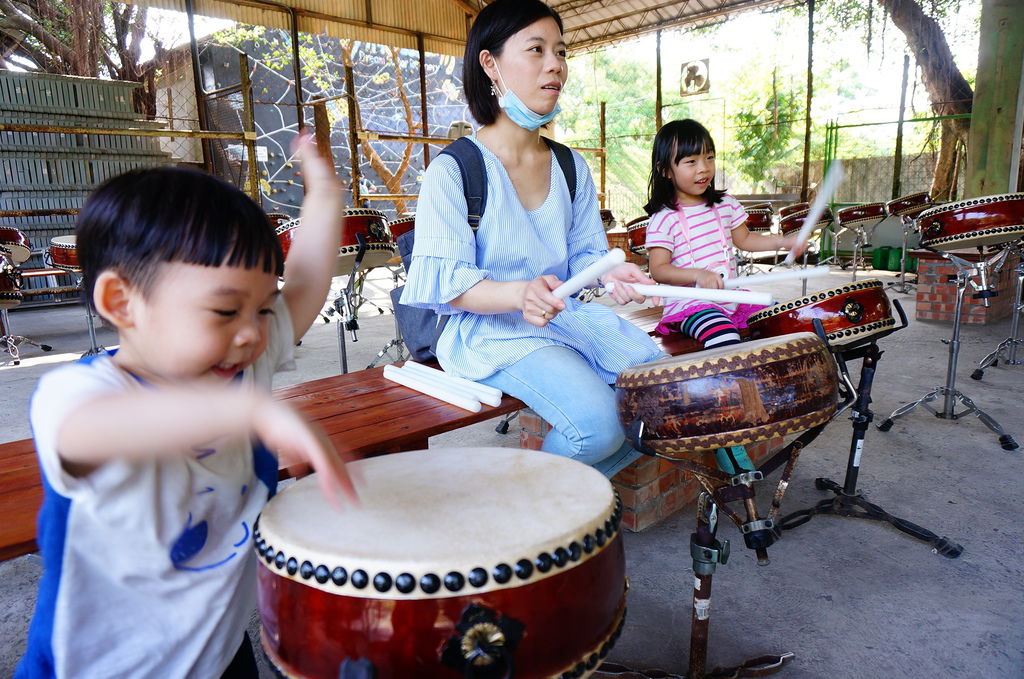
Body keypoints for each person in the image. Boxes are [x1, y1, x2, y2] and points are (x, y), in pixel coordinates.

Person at [15, 135, 357, 679]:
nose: (251, 334)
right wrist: (246, 415)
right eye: (224, 310)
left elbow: (310, 278)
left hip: (217, 651)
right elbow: (89, 433)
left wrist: (323, 192)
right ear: (121, 303)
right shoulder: (81, 396)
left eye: (263, 309)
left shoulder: (240, 358)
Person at [400, 0, 664, 478]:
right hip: (489, 331)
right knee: (600, 427)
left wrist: (610, 270)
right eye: (536, 50)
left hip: (563, 321)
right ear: (490, 63)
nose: (555, 65)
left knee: (662, 405)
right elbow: (450, 285)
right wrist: (519, 294)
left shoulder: (570, 166)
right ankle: (518, 519)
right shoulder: (453, 170)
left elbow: (585, 255)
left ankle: (552, 512)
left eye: (561, 52)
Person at [643, 119, 805, 348]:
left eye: (709, 157)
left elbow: (745, 239)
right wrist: (698, 275)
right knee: (725, 338)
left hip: (732, 299)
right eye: (691, 161)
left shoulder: (725, 204)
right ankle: (730, 384)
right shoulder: (664, 218)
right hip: (690, 305)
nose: (704, 168)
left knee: (784, 318)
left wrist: (784, 242)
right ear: (665, 171)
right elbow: (658, 270)